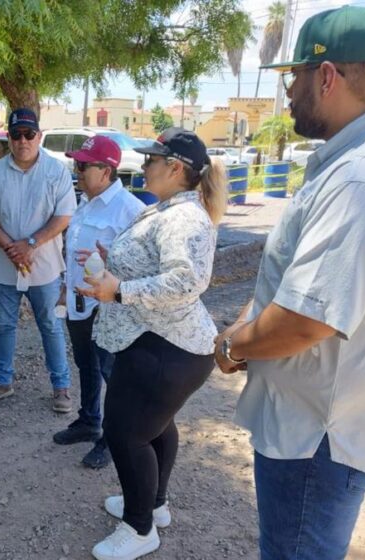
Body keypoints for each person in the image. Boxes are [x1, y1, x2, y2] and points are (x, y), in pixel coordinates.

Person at [214, 7, 365, 560]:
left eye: (293, 77)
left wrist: (231, 346)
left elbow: (304, 320)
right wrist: (252, 319)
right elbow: (299, 270)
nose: (289, 93)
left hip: (319, 434)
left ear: (327, 76)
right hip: (323, 421)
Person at [77, 128, 228, 560]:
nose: (143, 166)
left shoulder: (184, 216)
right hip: (161, 343)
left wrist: (118, 289)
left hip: (165, 346)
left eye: (150, 160)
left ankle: (140, 529)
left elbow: (188, 279)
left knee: (125, 433)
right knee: (154, 427)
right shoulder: (170, 208)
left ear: (175, 168)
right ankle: (152, 505)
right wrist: (116, 260)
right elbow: (158, 264)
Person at [0, 108, 76, 412]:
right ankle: (2, 381)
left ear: (39, 136)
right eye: (16, 135)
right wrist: (11, 248)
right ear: (9, 138)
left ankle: (61, 387)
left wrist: (31, 244)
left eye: (29, 134)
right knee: (3, 325)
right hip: (4, 267)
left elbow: (64, 215)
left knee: (50, 325)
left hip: (43, 268)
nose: (22, 140)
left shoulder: (56, 171)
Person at [52, 135, 145, 469]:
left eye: (82, 165)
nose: (76, 170)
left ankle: (112, 437)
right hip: (78, 304)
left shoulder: (132, 211)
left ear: (106, 171)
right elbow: (72, 251)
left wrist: (111, 266)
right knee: (86, 365)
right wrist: (65, 288)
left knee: (113, 375)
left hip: (109, 309)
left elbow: (142, 267)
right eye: (75, 164)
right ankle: (89, 420)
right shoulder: (84, 201)